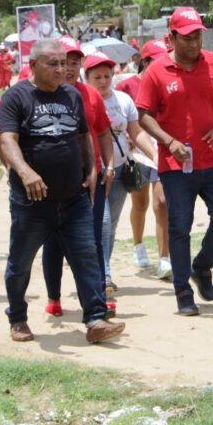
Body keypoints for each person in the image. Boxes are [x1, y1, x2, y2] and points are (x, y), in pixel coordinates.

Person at [0, 39, 125, 344]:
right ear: (33, 65)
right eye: (52, 64)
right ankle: (17, 317)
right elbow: (7, 140)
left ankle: (95, 318)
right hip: (32, 201)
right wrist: (25, 171)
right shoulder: (16, 97)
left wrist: (92, 168)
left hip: (74, 197)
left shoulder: (72, 95)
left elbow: (83, 135)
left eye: (64, 63)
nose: (61, 69)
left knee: (86, 255)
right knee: (21, 261)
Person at [136, 7, 213, 316]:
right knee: (179, 227)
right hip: (176, 165)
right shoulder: (157, 71)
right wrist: (169, 141)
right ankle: (183, 291)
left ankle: (202, 266)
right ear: (172, 37)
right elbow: (144, 115)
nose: (194, 43)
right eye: (187, 38)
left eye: (198, 36)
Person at [40, 37, 114, 316]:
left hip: (89, 179)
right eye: (62, 62)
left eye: (74, 62)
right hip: (52, 181)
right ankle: (54, 296)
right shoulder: (39, 95)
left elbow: (103, 132)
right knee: (54, 241)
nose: (68, 68)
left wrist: (109, 165)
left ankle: (97, 297)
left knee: (92, 239)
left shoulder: (90, 95)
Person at [84, 51, 159, 294]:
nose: (103, 81)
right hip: (93, 172)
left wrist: (154, 155)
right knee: (103, 222)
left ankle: (102, 270)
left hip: (118, 170)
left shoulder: (123, 100)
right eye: (97, 77)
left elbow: (136, 131)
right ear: (87, 78)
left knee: (111, 225)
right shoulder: (80, 99)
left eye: (107, 76)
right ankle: (103, 276)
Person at [114, 39, 171, 278]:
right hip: (136, 154)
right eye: (158, 59)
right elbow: (119, 116)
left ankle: (165, 258)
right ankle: (138, 245)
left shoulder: (168, 82)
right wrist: (127, 136)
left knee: (162, 203)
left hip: (161, 150)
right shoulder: (126, 86)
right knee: (140, 204)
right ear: (145, 62)